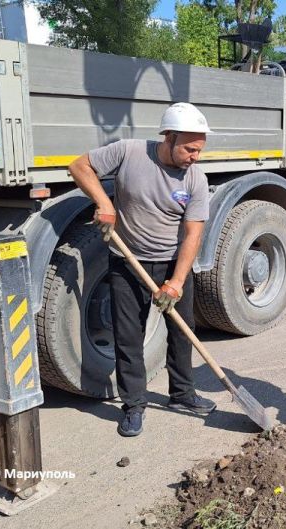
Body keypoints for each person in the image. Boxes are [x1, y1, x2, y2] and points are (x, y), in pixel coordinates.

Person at [68, 102, 216, 437]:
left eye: (200, 150)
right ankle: (134, 405)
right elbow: (79, 166)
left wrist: (176, 282)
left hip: (171, 263)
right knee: (128, 336)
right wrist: (104, 203)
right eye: (190, 149)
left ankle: (183, 394)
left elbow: (193, 233)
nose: (196, 156)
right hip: (127, 260)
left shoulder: (196, 179)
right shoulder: (129, 152)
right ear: (169, 136)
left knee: (182, 330)